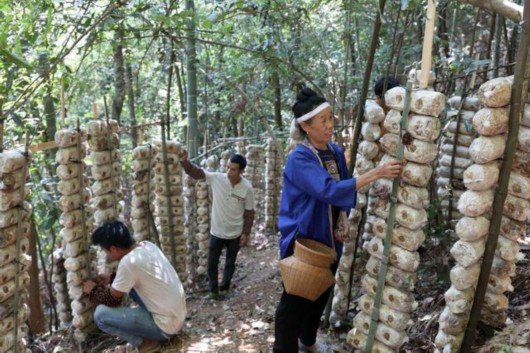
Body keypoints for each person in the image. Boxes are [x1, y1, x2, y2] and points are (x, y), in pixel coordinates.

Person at [273, 87, 403, 353]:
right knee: (294, 299)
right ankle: (284, 349)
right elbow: (327, 190)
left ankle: (307, 341)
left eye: (331, 118)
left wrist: (342, 215)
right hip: (305, 238)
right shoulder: (299, 158)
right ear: (306, 126)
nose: (330, 125)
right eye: (323, 121)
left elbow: (341, 187)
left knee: (320, 292)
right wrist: (377, 173)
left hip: (329, 235)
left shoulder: (332, 151)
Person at [83, 221, 186, 353]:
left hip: (166, 328)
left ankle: (146, 344)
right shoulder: (147, 245)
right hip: (177, 319)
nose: (107, 255)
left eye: (105, 251)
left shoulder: (128, 263)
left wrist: (92, 290)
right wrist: (111, 279)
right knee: (129, 287)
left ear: (114, 249)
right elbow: (139, 275)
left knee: (100, 316)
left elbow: (112, 300)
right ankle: (155, 333)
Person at [180, 151, 255, 300]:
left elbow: (249, 212)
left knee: (229, 264)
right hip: (217, 231)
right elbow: (197, 173)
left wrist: (245, 233)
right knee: (211, 263)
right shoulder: (217, 179)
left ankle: (225, 288)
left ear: (241, 171)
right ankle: (213, 291)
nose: (228, 172)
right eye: (228, 167)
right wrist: (185, 162)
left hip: (235, 232)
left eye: (233, 169)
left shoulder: (247, 188)